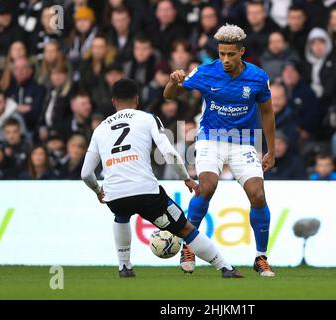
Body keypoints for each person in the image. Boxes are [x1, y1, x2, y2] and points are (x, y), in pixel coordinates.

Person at [81, 79, 243, 278]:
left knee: (121, 216)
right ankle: (225, 268)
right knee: (186, 229)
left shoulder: (100, 129)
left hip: (114, 194)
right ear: (137, 99)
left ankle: (124, 267)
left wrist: (98, 190)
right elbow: (170, 153)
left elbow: (85, 173)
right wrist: (186, 178)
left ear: (114, 102)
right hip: (146, 192)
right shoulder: (147, 118)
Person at [164, 24, 276, 277]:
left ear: (242, 52)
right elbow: (169, 96)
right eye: (222, 53)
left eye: (231, 54)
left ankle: (260, 257)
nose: (225, 59)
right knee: (207, 186)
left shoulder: (258, 77)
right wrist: (173, 81)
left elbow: (268, 113)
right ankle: (189, 246)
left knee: (257, 195)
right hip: (210, 139)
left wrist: (271, 149)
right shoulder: (205, 72)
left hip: (244, 141)